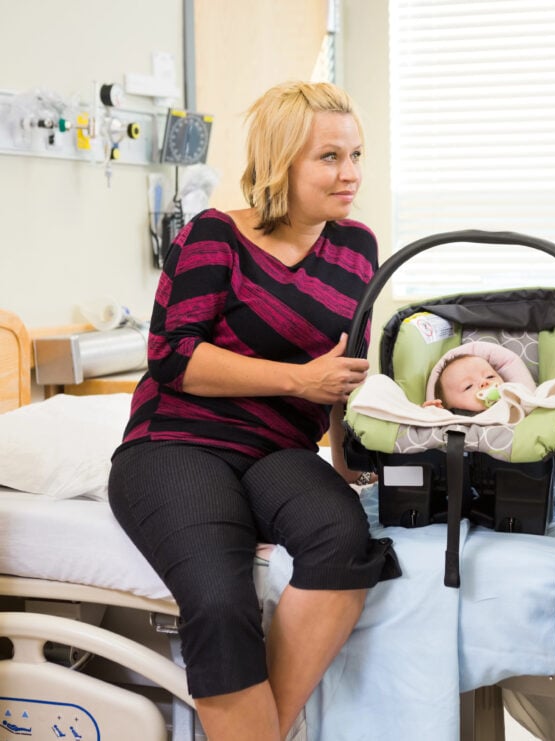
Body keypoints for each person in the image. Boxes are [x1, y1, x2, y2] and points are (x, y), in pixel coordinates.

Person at [108, 81, 400, 741]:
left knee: (344, 542)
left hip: (280, 453)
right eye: (329, 157)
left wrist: (350, 455)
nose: (350, 173)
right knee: (219, 598)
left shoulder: (357, 249)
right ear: (280, 163)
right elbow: (174, 357)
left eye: (356, 154)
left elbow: (342, 370)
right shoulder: (215, 235)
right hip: (177, 444)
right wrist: (300, 380)